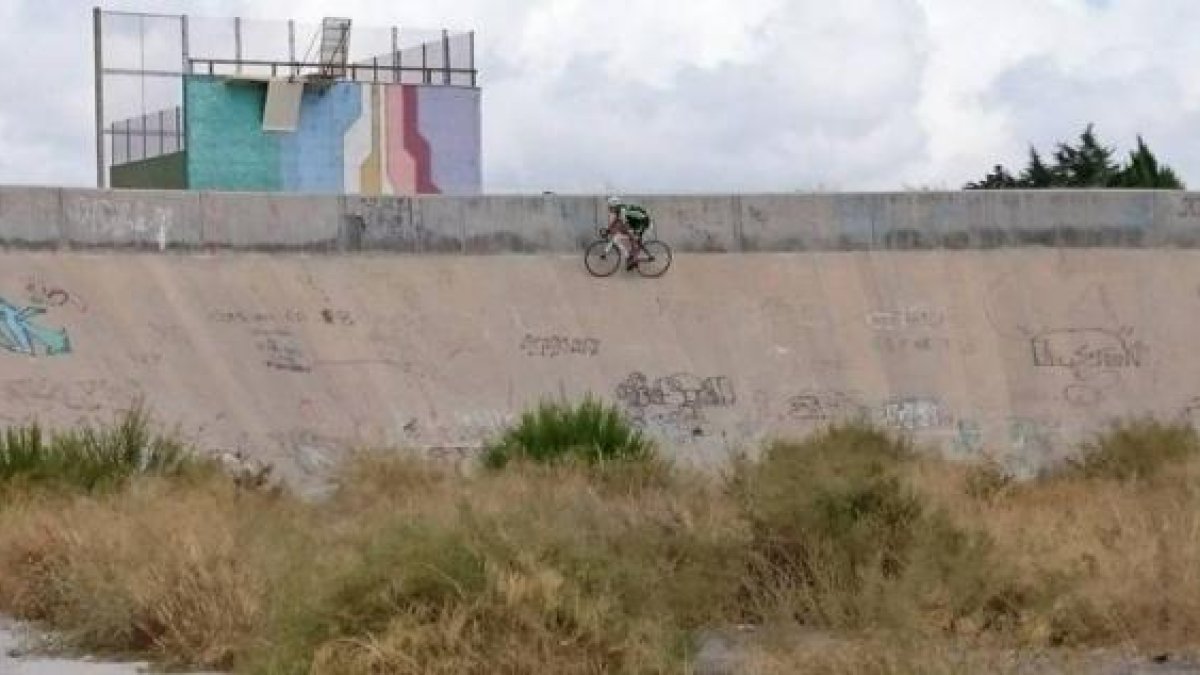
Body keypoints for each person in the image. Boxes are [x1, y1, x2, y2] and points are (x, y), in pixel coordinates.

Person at [606, 196, 652, 270]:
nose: (609, 208)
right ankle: (632, 258)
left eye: (610, 207)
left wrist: (630, 233)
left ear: (614, 206)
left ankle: (633, 260)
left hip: (643, 222)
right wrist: (608, 229)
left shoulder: (622, 211)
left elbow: (626, 224)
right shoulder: (619, 210)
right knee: (630, 235)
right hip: (637, 222)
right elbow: (616, 220)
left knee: (633, 237)